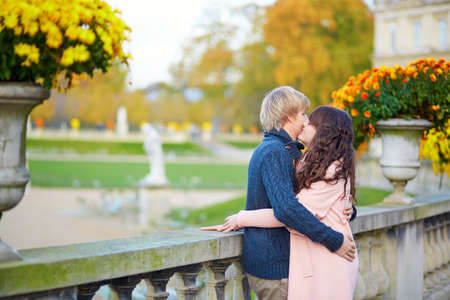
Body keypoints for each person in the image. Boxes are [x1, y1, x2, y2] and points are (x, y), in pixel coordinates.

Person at [202, 87, 357, 300]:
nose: (306, 120)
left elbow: (317, 197)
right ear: (289, 116)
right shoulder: (274, 152)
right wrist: (334, 239)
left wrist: (345, 208)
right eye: (304, 114)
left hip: (290, 264)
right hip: (276, 268)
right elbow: (287, 209)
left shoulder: (291, 151)